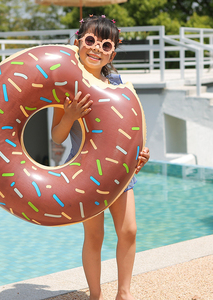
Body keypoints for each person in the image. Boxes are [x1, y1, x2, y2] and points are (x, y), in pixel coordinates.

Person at [51, 15, 150, 300]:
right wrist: (69, 116)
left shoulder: (118, 84)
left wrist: (141, 153)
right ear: (78, 43)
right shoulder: (69, 86)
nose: (96, 48)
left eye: (105, 44)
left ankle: (124, 293)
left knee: (128, 230)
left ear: (113, 52)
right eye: (90, 41)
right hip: (84, 171)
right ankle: (96, 295)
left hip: (120, 168)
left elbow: (131, 130)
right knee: (94, 236)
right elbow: (57, 137)